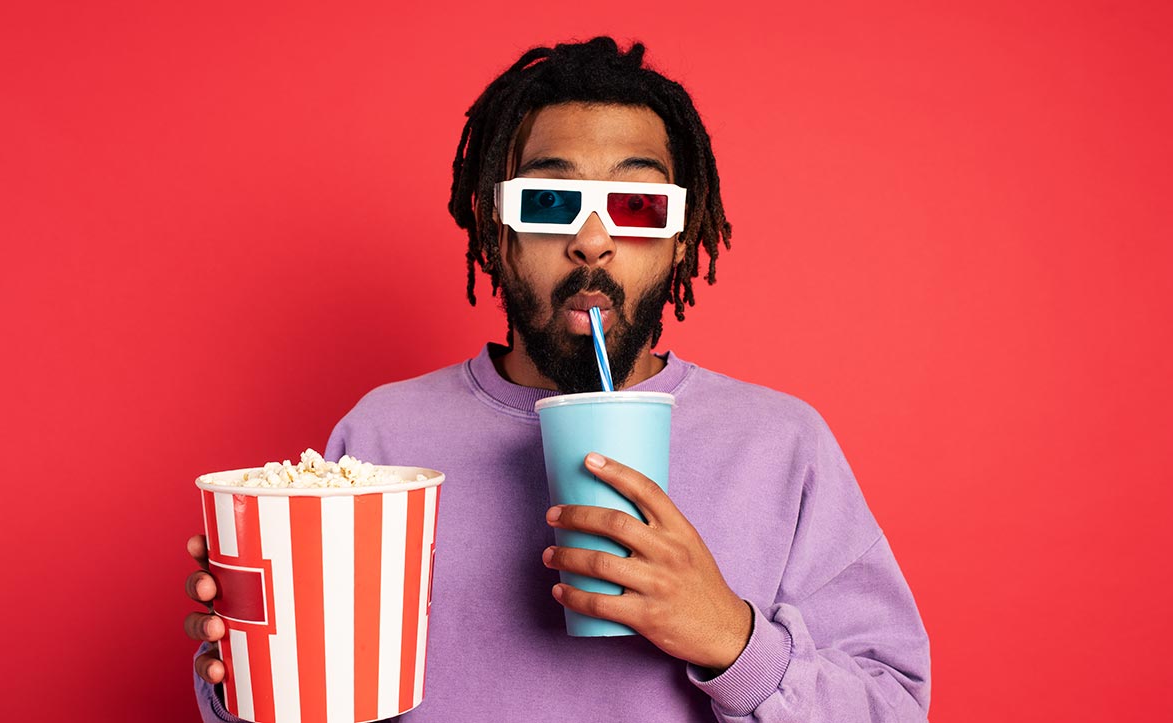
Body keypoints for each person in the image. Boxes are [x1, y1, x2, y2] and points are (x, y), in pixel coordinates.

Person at [185, 37, 931, 722]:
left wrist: (733, 639)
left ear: (680, 239)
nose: (592, 241)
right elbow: (319, 688)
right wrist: (251, 670)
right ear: (496, 232)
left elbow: (893, 706)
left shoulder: (781, 444)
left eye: (637, 205)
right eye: (548, 201)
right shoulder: (382, 436)